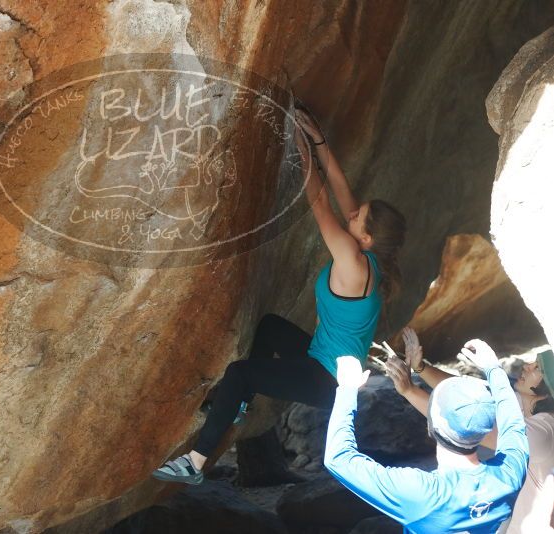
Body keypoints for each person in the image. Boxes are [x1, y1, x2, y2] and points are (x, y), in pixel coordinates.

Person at [151, 104, 407, 484]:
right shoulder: (371, 255)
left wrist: (299, 149)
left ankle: (195, 462)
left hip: (325, 379)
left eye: (358, 216)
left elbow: (320, 203)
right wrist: (318, 139)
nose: (352, 214)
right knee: (269, 327)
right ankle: (237, 405)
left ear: (365, 237)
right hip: (322, 359)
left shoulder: (354, 262)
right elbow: (340, 190)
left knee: (240, 373)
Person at [326, 340, 529, 533]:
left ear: (431, 424)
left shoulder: (421, 493)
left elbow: (338, 459)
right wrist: (494, 369)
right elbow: (511, 420)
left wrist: (347, 388)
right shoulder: (510, 472)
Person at [385, 329, 554, 534]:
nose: (527, 366)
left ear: (547, 391)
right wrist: (420, 367)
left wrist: (409, 391)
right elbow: (465, 396)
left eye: (538, 369)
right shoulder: (523, 405)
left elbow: (465, 422)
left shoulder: (544, 432)